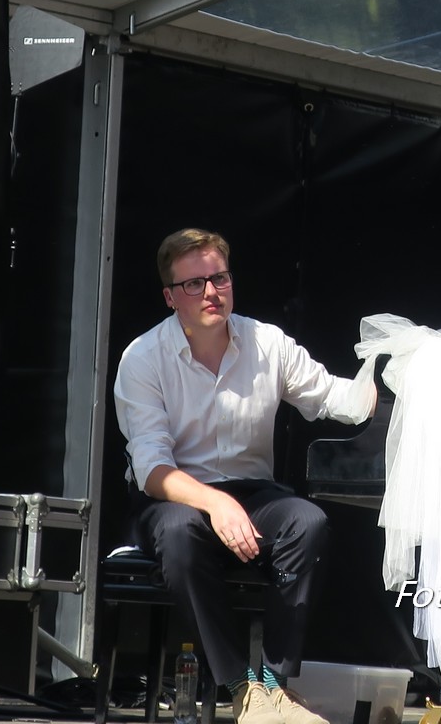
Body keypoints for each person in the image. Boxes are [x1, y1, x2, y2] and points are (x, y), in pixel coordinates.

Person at [114, 228, 376, 724]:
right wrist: (214, 503)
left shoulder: (267, 342)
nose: (211, 292)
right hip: (173, 497)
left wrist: (397, 378)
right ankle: (242, 689)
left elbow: (332, 396)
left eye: (220, 278)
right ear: (170, 297)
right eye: (194, 284)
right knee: (178, 532)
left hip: (254, 494)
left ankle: (275, 687)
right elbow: (151, 468)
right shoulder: (142, 358)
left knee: (308, 522)